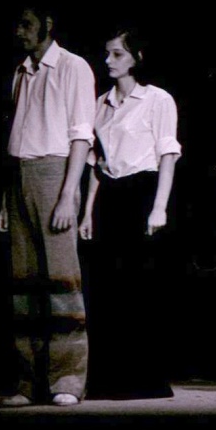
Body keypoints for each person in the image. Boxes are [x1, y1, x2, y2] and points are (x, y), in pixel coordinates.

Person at [0, 4, 96, 406]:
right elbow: (16, 136)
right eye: (17, 24)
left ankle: (66, 379)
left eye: (27, 24)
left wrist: (68, 194)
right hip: (21, 174)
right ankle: (28, 381)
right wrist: (7, 200)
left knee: (61, 282)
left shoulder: (73, 67)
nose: (19, 31)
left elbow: (81, 135)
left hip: (55, 172)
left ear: (48, 25)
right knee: (25, 282)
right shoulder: (21, 72)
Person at [78, 28, 181, 399]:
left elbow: (167, 154)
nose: (109, 60)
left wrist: (159, 206)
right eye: (107, 53)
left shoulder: (157, 99)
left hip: (143, 192)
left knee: (140, 287)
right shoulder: (100, 103)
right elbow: (97, 162)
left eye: (117, 54)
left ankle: (145, 379)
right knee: (108, 287)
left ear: (137, 57)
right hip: (111, 196)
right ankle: (109, 378)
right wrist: (87, 211)